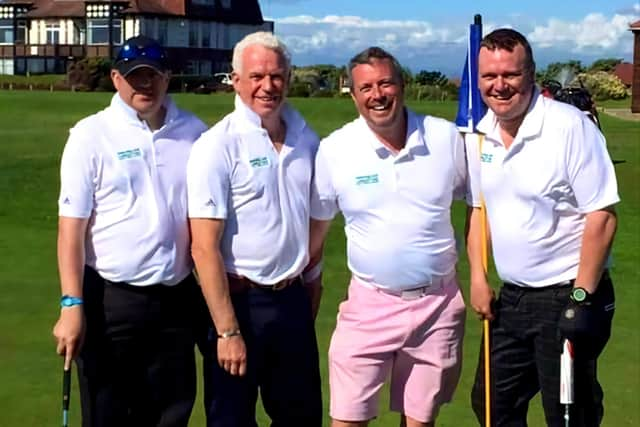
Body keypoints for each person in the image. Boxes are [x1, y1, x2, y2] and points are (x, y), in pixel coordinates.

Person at [52, 35, 207, 426]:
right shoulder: (90, 135)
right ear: (116, 79)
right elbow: (71, 230)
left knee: (170, 414)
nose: (145, 85)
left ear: (167, 77)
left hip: (176, 300)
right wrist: (71, 305)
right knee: (108, 414)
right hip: (111, 301)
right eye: (135, 77)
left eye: (153, 76)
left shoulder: (194, 131)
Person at [466, 29, 618, 426]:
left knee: (569, 413)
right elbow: (479, 210)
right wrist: (479, 277)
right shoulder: (480, 134)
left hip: (567, 295)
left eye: (510, 75)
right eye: (489, 76)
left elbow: (601, 215)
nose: (499, 86)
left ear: (530, 74)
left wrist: (582, 297)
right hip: (512, 301)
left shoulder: (569, 126)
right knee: (491, 407)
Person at [310, 46, 468, 427]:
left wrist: (475, 276)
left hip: (438, 305)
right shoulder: (334, 150)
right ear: (353, 93)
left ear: (402, 85)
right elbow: (317, 228)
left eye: (385, 83)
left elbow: (477, 206)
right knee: (347, 419)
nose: (376, 95)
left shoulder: (446, 138)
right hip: (369, 304)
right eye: (366, 87)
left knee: (420, 420)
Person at [187, 31, 323, 427]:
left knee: (301, 418)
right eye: (257, 76)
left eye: (277, 76)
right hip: (238, 305)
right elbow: (203, 248)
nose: (268, 86)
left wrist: (310, 286)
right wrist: (227, 331)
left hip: (292, 301)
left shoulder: (306, 138)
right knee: (231, 419)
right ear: (236, 79)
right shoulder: (217, 145)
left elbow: (313, 220)